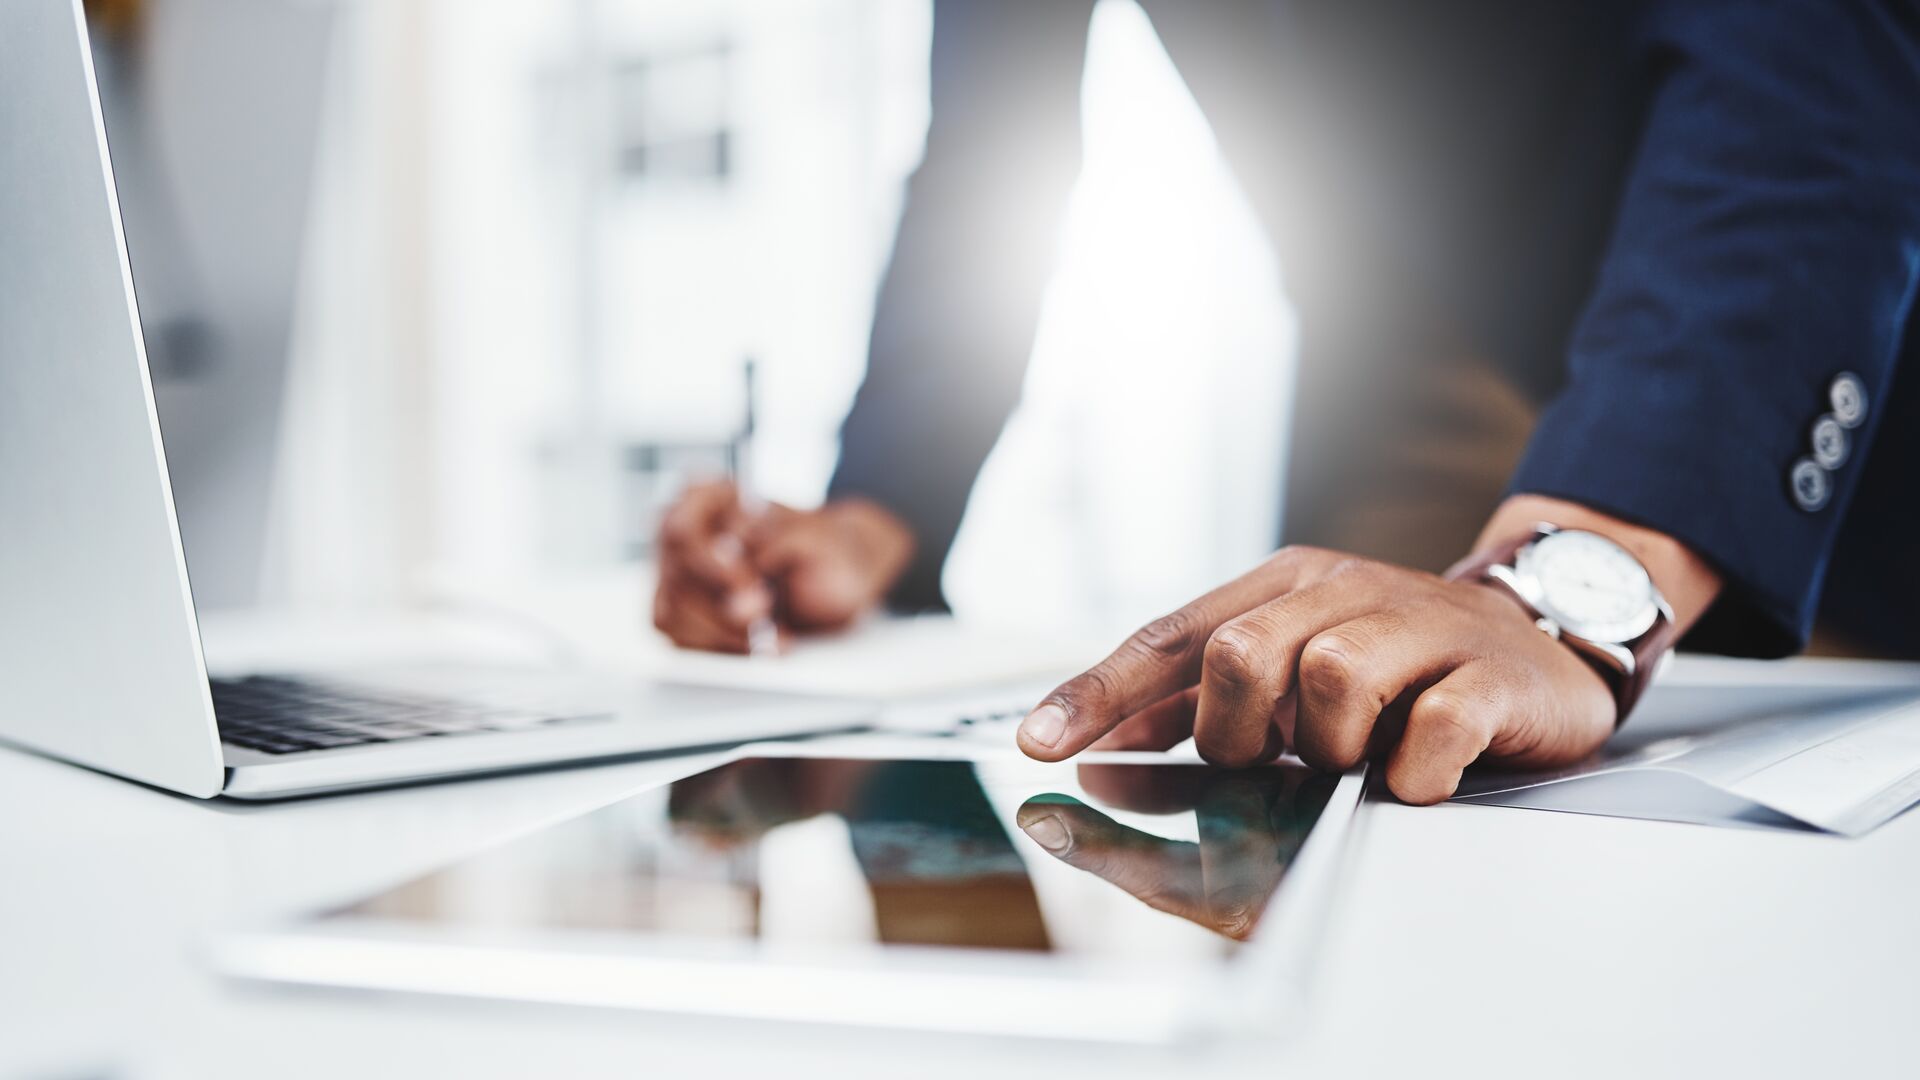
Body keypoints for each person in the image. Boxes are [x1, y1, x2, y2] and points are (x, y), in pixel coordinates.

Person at [654, 0, 1920, 804]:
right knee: (1330, 801)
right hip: (1409, 337)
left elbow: (1810, 60)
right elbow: (992, 147)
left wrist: (1604, 551)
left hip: (1807, 339)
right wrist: (881, 509)